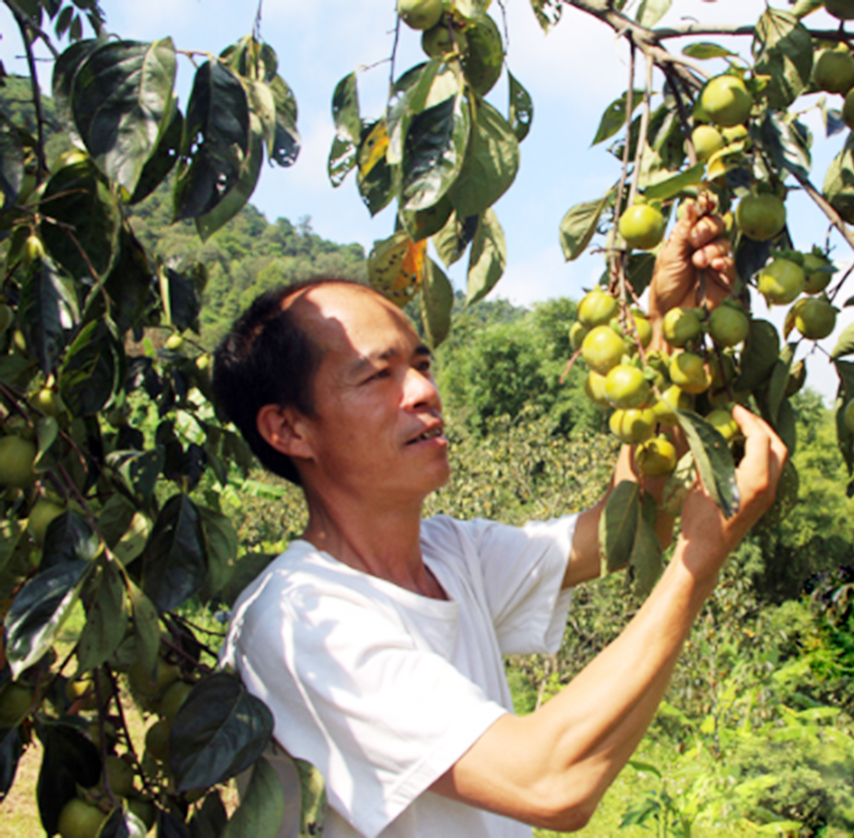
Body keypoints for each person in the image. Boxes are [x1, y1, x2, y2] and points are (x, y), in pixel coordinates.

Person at [212, 198, 787, 838]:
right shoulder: (301, 624)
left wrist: (664, 321)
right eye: (378, 376)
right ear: (288, 428)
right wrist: (696, 564)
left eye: (421, 365)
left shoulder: (452, 553)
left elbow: (623, 529)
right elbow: (550, 784)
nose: (424, 392)